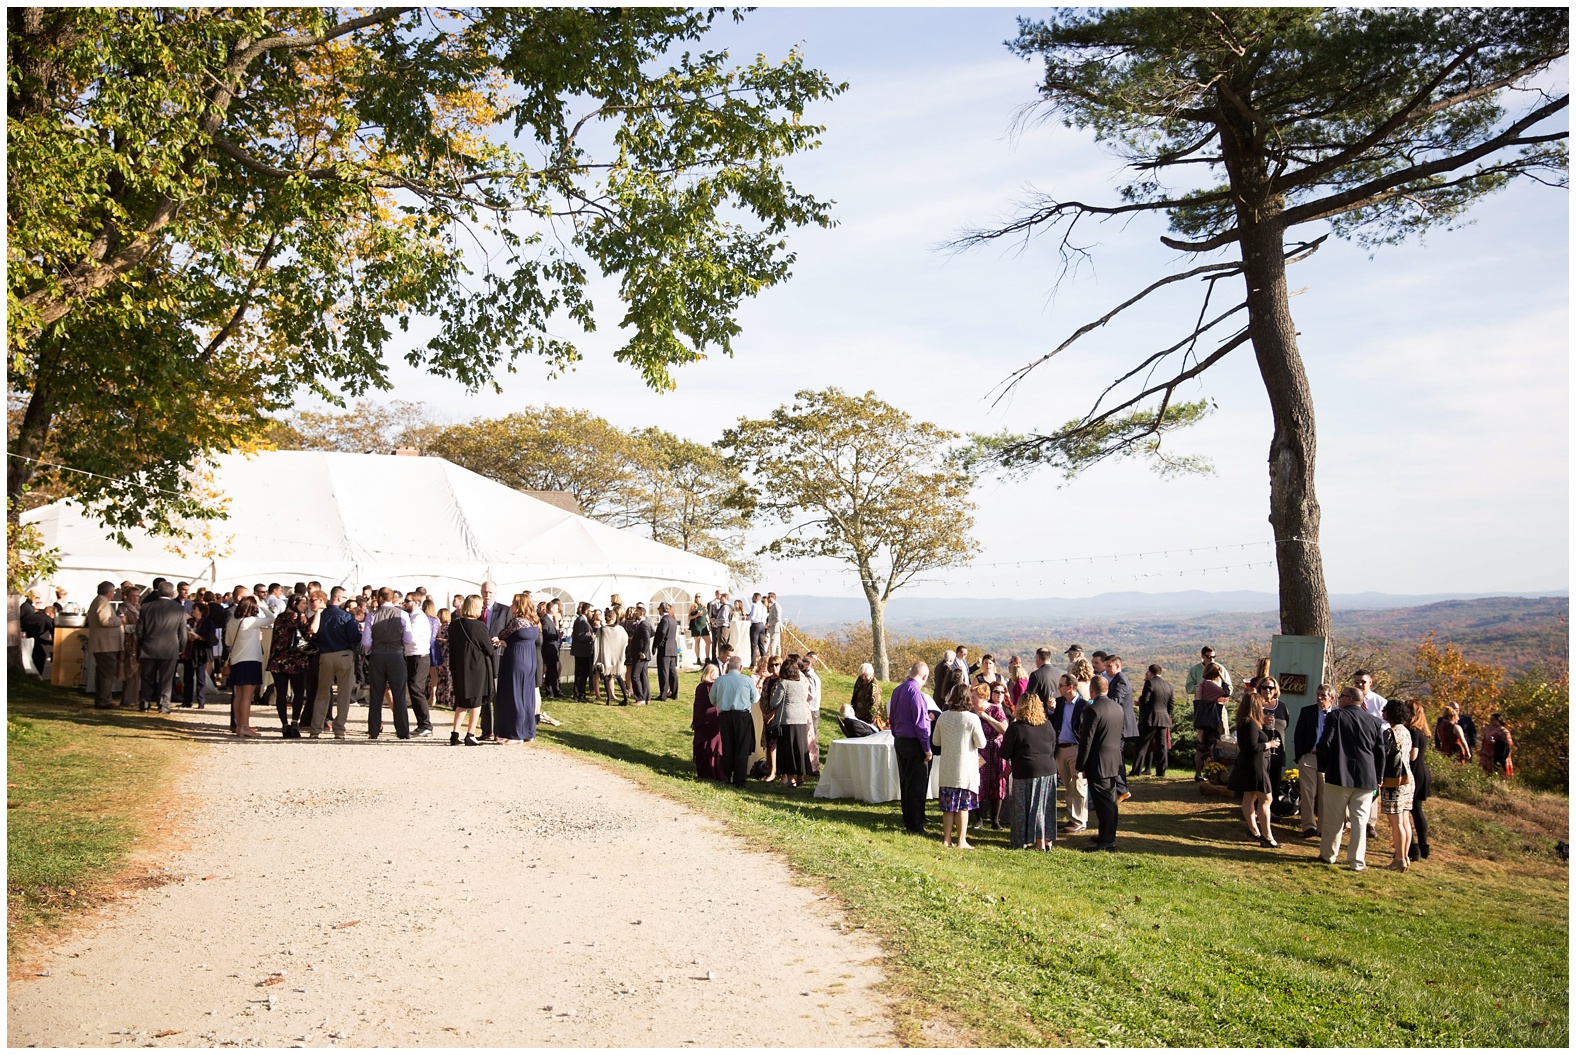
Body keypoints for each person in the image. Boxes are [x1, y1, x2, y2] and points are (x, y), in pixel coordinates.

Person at [1316, 685, 1387, 871]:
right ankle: (1356, 861)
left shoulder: (1336, 716)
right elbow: (1380, 752)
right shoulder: (1374, 722)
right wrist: (1379, 776)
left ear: (1348, 699)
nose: (1338, 698)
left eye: (1341, 696)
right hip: (1366, 777)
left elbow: (1325, 743)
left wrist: (1323, 766)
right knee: (1360, 822)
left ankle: (1328, 855)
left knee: (1334, 819)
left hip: (1338, 774)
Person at [1001, 691, 1059, 850]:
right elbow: (1054, 745)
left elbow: (1004, 753)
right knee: (1044, 806)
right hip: (1048, 770)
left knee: (1025, 808)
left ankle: (1031, 841)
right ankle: (1046, 839)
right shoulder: (1047, 725)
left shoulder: (1016, 727)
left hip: (1026, 772)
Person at [933, 683, 987, 849]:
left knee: (948, 807)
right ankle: (961, 840)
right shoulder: (971, 719)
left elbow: (936, 741)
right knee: (963, 807)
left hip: (947, 768)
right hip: (964, 770)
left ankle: (947, 838)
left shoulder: (943, 717)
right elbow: (982, 743)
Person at [1077, 674, 1125, 852]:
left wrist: (1080, 765)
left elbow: (1086, 739)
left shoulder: (1093, 709)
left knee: (1104, 803)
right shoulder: (1117, 707)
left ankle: (1107, 841)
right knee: (1110, 800)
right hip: (1114, 760)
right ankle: (1107, 834)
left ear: (1092, 690)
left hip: (1098, 762)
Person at [1227, 688, 1280, 847]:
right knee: (1266, 798)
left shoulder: (1247, 721)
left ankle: (1254, 830)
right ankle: (1267, 836)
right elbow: (1251, 747)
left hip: (1249, 764)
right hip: (1254, 765)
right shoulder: (1250, 723)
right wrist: (1269, 744)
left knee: (1249, 797)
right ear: (1254, 705)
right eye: (1261, 704)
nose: (1263, 707)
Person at [361, 586, 415, 740]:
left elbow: (366, 641)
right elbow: (409, 639)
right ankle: (403, 730)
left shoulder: (372, 616)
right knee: (398, 694)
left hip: (378, 655)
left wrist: (374, 647)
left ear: (379, 597)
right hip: (396, 654)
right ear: (392, 598)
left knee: (376, 694)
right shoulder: (402, 614)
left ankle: (374, 730)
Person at [309, 587, 360, 739]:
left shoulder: (320, 615)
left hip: (325, 655)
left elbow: (314, 635)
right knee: (344, 694)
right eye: (344, 598)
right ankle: (339, 729)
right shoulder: (346, 616)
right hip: (344, 654)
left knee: (322, 693)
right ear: (338, 598)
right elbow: (354, 637)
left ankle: (316, 728)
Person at [888, 662, 933, 835]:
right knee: (916, 784)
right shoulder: (917, 694)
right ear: (924, 677)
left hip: (900, 740)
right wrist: (926, 748)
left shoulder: (897, 690)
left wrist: (896, 734)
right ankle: (915, 824)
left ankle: (908, 817)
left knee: (905, 781)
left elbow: (892, 716)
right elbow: (921, 724)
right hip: (914, 742)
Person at [223, 596, 275, 737]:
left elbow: (228, 641)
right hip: (250, 660)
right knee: (247, 696)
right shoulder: (251, 621)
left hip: (236, 660)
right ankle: (245, 726)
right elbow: (272, 618)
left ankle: (239, 724)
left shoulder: (232, 622)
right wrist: (262, 605)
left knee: (238, 695)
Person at [448, 595, 496, 746]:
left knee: (461, 701)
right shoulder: (479, 626)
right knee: (476, 702)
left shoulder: (454, 625)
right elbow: (488, 649)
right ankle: (471, 734)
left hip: (459, 666)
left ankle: (454, 734)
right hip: (476, 667)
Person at [495, 592, 540, 743]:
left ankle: (515, 734)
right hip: (530, 660)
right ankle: (528, 732)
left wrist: (502, 641)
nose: (510, 606)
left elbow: (502, 634)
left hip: (516, 659)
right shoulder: (534, 622)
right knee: (527, 696)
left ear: (519, 605)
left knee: (513, 695)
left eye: (513, 603)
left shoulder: (517, 622)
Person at [267, 592, 314, 737]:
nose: (305, 606)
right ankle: (294, 722)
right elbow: (309, 635)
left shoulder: (280, 618)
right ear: (295, 604)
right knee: (298, 692)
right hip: (296, 660)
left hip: (278, 660)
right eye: (303, 603)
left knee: (281, 693)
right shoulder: (300, 618)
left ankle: (284, 725)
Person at [136, 581, 186, 714]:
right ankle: (164, 704)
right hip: (170, 648)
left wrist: (141, 643)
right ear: (172, 593)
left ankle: (145, 703)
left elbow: (139, 630)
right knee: (166, 679)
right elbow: (183, 632)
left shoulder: (146, 607)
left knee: (146, 678)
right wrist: (182, 647)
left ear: (158, 592)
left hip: (149, 646)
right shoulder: (179, 608)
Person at [1293, 684, 1336, 838]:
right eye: (1318, 694)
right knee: (1307, 793)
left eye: (1323, 695)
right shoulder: (1307, 711)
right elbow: (1298, 735)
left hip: (1328, 759)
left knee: (1326, 795)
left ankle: (1323, 828)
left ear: (1331, 698)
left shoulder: (1337, 714)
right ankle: (1308, 826)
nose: (1319, 698)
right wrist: (1300, 756)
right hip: (1309, 756)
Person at [1379, 699, 1416, 871]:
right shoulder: (1406, 732)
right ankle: (1405, 856)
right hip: (1408, 778)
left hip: (1395, 781)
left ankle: (1399, 858)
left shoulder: (1389, 733)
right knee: (1405, 820)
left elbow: (1382, 756)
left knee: (1396, 822)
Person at [1051, 674, 1090, 833]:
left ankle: (1080, 820)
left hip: (1075, 748)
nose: (1058, 688)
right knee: (1068, 786)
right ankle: (1072, 818)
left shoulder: (1084, 705)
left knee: (1078, 785)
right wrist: (1050, 710)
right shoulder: (1058, 703)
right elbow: (1052, 721)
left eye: (1061, 685)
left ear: (1070, 687)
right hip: (1060, 748)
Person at [712, 656, 759, 786]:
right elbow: (755, 698)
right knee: (742, 748)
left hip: (725, 716)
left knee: (727, 747)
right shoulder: (747, 680)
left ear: (728, 667)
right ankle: (739, 779)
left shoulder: (720, 681)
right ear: (741, 667)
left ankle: (727, 776)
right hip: (742, 716)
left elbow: (713, 699)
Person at [973, 682, 1011, 829]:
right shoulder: (971, 712)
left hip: (995, 750)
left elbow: (1004, 729)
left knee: (997, 784)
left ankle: (995, 820)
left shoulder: (995, 710)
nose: (972, 700)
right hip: (979, 753)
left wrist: (987, 718)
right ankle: (979, 818)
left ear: (983, 697)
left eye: (975, 697)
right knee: (978, 784)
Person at [770, 660, 814, 787]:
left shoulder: (784, 683)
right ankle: (801, 777)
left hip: (787, 719)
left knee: (787, 748)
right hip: (801, 718)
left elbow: (775, 702)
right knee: (800, 748)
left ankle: (791, 780)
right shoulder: (800, 684)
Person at [399, 592, 435, 737]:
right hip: (412, 655)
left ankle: (426, 724)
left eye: (407, 601)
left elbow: (410, 638)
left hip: (419, 656)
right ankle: (422, 724)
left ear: (416, 602)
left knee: (416, 688)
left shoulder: (418, 618)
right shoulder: (411, 616)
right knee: (414, 688)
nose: (404, 604)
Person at [1104, 655, 1136, 803]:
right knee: (1118, 757)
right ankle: (1120, 789)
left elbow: (1116, 701)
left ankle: (1122, 790)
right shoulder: (1117, 679)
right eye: (1106, 666)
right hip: (1120, 725)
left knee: (1117, 758)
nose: (1107, 669)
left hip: (1121, 726)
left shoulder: (1121, 679)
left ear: (1117, 666)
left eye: (1109, 666)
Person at [1191, 663, 1231, 781]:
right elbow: (1226, 692)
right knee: (1212, 747)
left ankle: (1199, 773)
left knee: (1201, 745)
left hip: (1201, 717)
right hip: (1209, 719)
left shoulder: (1201, 683)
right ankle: (1213, 773)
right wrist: (1223, 679)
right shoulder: (1209, 684)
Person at [1131, 664, 1174, 776]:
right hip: (1164, 719)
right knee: (1162, 746)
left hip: (1150, 718)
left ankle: (1136, 770)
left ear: (1150, 672)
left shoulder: (1149, 682)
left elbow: (1145, 700)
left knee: (1141, 744)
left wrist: (1140, 702)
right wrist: (1167, 715)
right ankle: (1161, 771)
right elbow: (1171, 704)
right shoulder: (1168, 685)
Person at [86, 580, 123, 709]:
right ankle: (104, 700)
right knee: (107, 672)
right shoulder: (102, 602)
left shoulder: (99, 600)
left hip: (103, 643)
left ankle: (101, 699)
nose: (113, 594)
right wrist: (119, 620)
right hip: (104, 644)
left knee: (103, 672)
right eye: (113, 592)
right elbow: (105, 621)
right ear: (109, 592)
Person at [1404, 700, 1433, 861]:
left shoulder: (1413, 731)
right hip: (1422, 771)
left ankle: (1413, 847)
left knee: (1409, 810)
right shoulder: (1422, 731)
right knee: (1417, 810)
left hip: (1415, 772)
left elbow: (1412, 755)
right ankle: (1423, 846)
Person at [181, 601, 219, 710]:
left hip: (201, 652)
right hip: (189, 652)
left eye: (195, 609)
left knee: (200, 678)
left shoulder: (208, 623)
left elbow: (212, 638)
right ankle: (187, 701)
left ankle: (201, 701)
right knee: (187, 678)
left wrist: (199, 637)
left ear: (201, 611)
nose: (192, 611)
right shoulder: (189, 622)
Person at [692, 660, 725, 780]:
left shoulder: (702, 686)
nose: (717, 676)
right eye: (715, 673)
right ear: (710, 674)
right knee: (712, 745)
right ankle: (712, 772)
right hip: (709, 720)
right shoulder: (707, 687)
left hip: (704, 719)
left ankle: (706, 771)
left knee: (708, 745)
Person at [593, 608, 628, 705]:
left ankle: (609, 699)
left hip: (606, 657)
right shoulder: (620, 629)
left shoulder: (602, 630)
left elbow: (597, 643)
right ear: (614, 617)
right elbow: (625, 640)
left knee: (606, 677)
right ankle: (625, 698)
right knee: (619, 676)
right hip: (617, 657)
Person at [627, 603, 654, 704]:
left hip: (641, 655)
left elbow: (647, 639)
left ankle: (640, 698)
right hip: (640, 654)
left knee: (635, 676)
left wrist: (644, 652)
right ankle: (647, 698)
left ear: (642, 613)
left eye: (637, 612)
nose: (635, 614)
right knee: (643, 676)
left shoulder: (644, 624)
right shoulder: (641, 624)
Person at [570, 601, 596, 701]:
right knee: (582, 674)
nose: (593, 613)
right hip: (582, 652)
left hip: (582, 651)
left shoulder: (583, 620)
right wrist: (592, 637)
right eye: (591, 611)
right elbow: (581, 636)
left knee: (582, 674)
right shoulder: (581, 621)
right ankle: (580, 694)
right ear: (586, 611)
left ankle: (580, 694)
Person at [654, 601, 680, 700]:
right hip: (672, 649)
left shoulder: (664, 620)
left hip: (665, 650)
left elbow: (662, 632)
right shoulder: (673, 620)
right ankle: (674, 692)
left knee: (663, 672)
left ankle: (663, 694)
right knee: (672, 672)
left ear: (661, 609)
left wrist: (659, 643)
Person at [539, 598, 563, 700]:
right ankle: (553, 691)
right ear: (551, 609)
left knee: (552, 670)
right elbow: (544, 634)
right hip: (548, 649)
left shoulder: (551, 620)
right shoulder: (545, 619)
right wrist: (556, 636)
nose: (558, 611)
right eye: (556, 608)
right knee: (551, 670)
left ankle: (552, 691)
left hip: (553, 648)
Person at [432, 604, 454, 711]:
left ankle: (447, 698)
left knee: (447, 676)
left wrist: (441, 640)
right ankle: (440, 697)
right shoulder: (440, 626)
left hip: (446, 654)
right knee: (441, 675)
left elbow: (451, 641)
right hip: (441, 653)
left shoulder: (449, 627)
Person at [1480, 713, 1514, 777]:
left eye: (1492, 719)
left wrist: (1496, 743)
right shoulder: (1489, 729)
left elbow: (1507, 744)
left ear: (1498, 720)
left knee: (1498, 771)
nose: (1491, 721)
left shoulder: (1504, 731)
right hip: (1487, 754)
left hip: (1497, 755)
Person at [689, 595, 710, 668]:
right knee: (697, 642)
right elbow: (689, 617)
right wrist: (697, 615)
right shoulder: (693, 606)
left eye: (699, 596)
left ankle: (707, 658)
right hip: (696, 626)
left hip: (703, 625)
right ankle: (698, 658)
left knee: (708, 642)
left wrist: (709, 623)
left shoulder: (704, 606)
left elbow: (706, 615)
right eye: (696, 597)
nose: (697, 598)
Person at [747, 592, 768, 667]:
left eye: (753, 597)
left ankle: (753, 663)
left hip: (755, 625)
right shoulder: (764, 607)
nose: (752, 599)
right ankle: (765, 661)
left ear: (756, 598)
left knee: (754, 645)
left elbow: (752, 617)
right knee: (761, 645)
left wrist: (747, 617)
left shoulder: (754, 606)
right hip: (762, 625)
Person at [765, 591, 783, 658]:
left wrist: (769, 624)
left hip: (775, 628)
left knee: (773, 645)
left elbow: (777, 618)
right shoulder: (773, 606)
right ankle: (778, 658)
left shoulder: (776, 606)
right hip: (774, 628)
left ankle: (772, 658)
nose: (768, 599)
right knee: (777, 645)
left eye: (769, 597)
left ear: (773, 597)